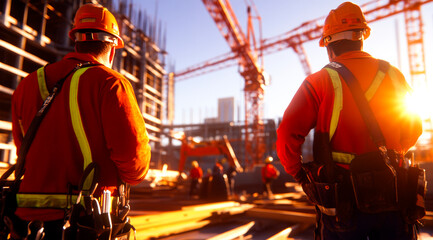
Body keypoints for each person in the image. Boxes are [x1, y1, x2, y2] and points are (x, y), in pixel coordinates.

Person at [276, 2, 422, 239]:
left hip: (343, 202)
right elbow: (415, 126)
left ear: (329, 45)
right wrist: (393, 154)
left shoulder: (320, 81)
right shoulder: (393, 74)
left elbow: (286, 134)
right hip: (394, 195)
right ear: (361, 38)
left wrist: (299, 174)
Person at [11, 3, 151, 239]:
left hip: (27, 225)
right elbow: (134, 162)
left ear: (75, 40)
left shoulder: (27, 84)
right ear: (113, 48)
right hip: (85, 223)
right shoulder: (110, 83)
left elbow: (22, 148)